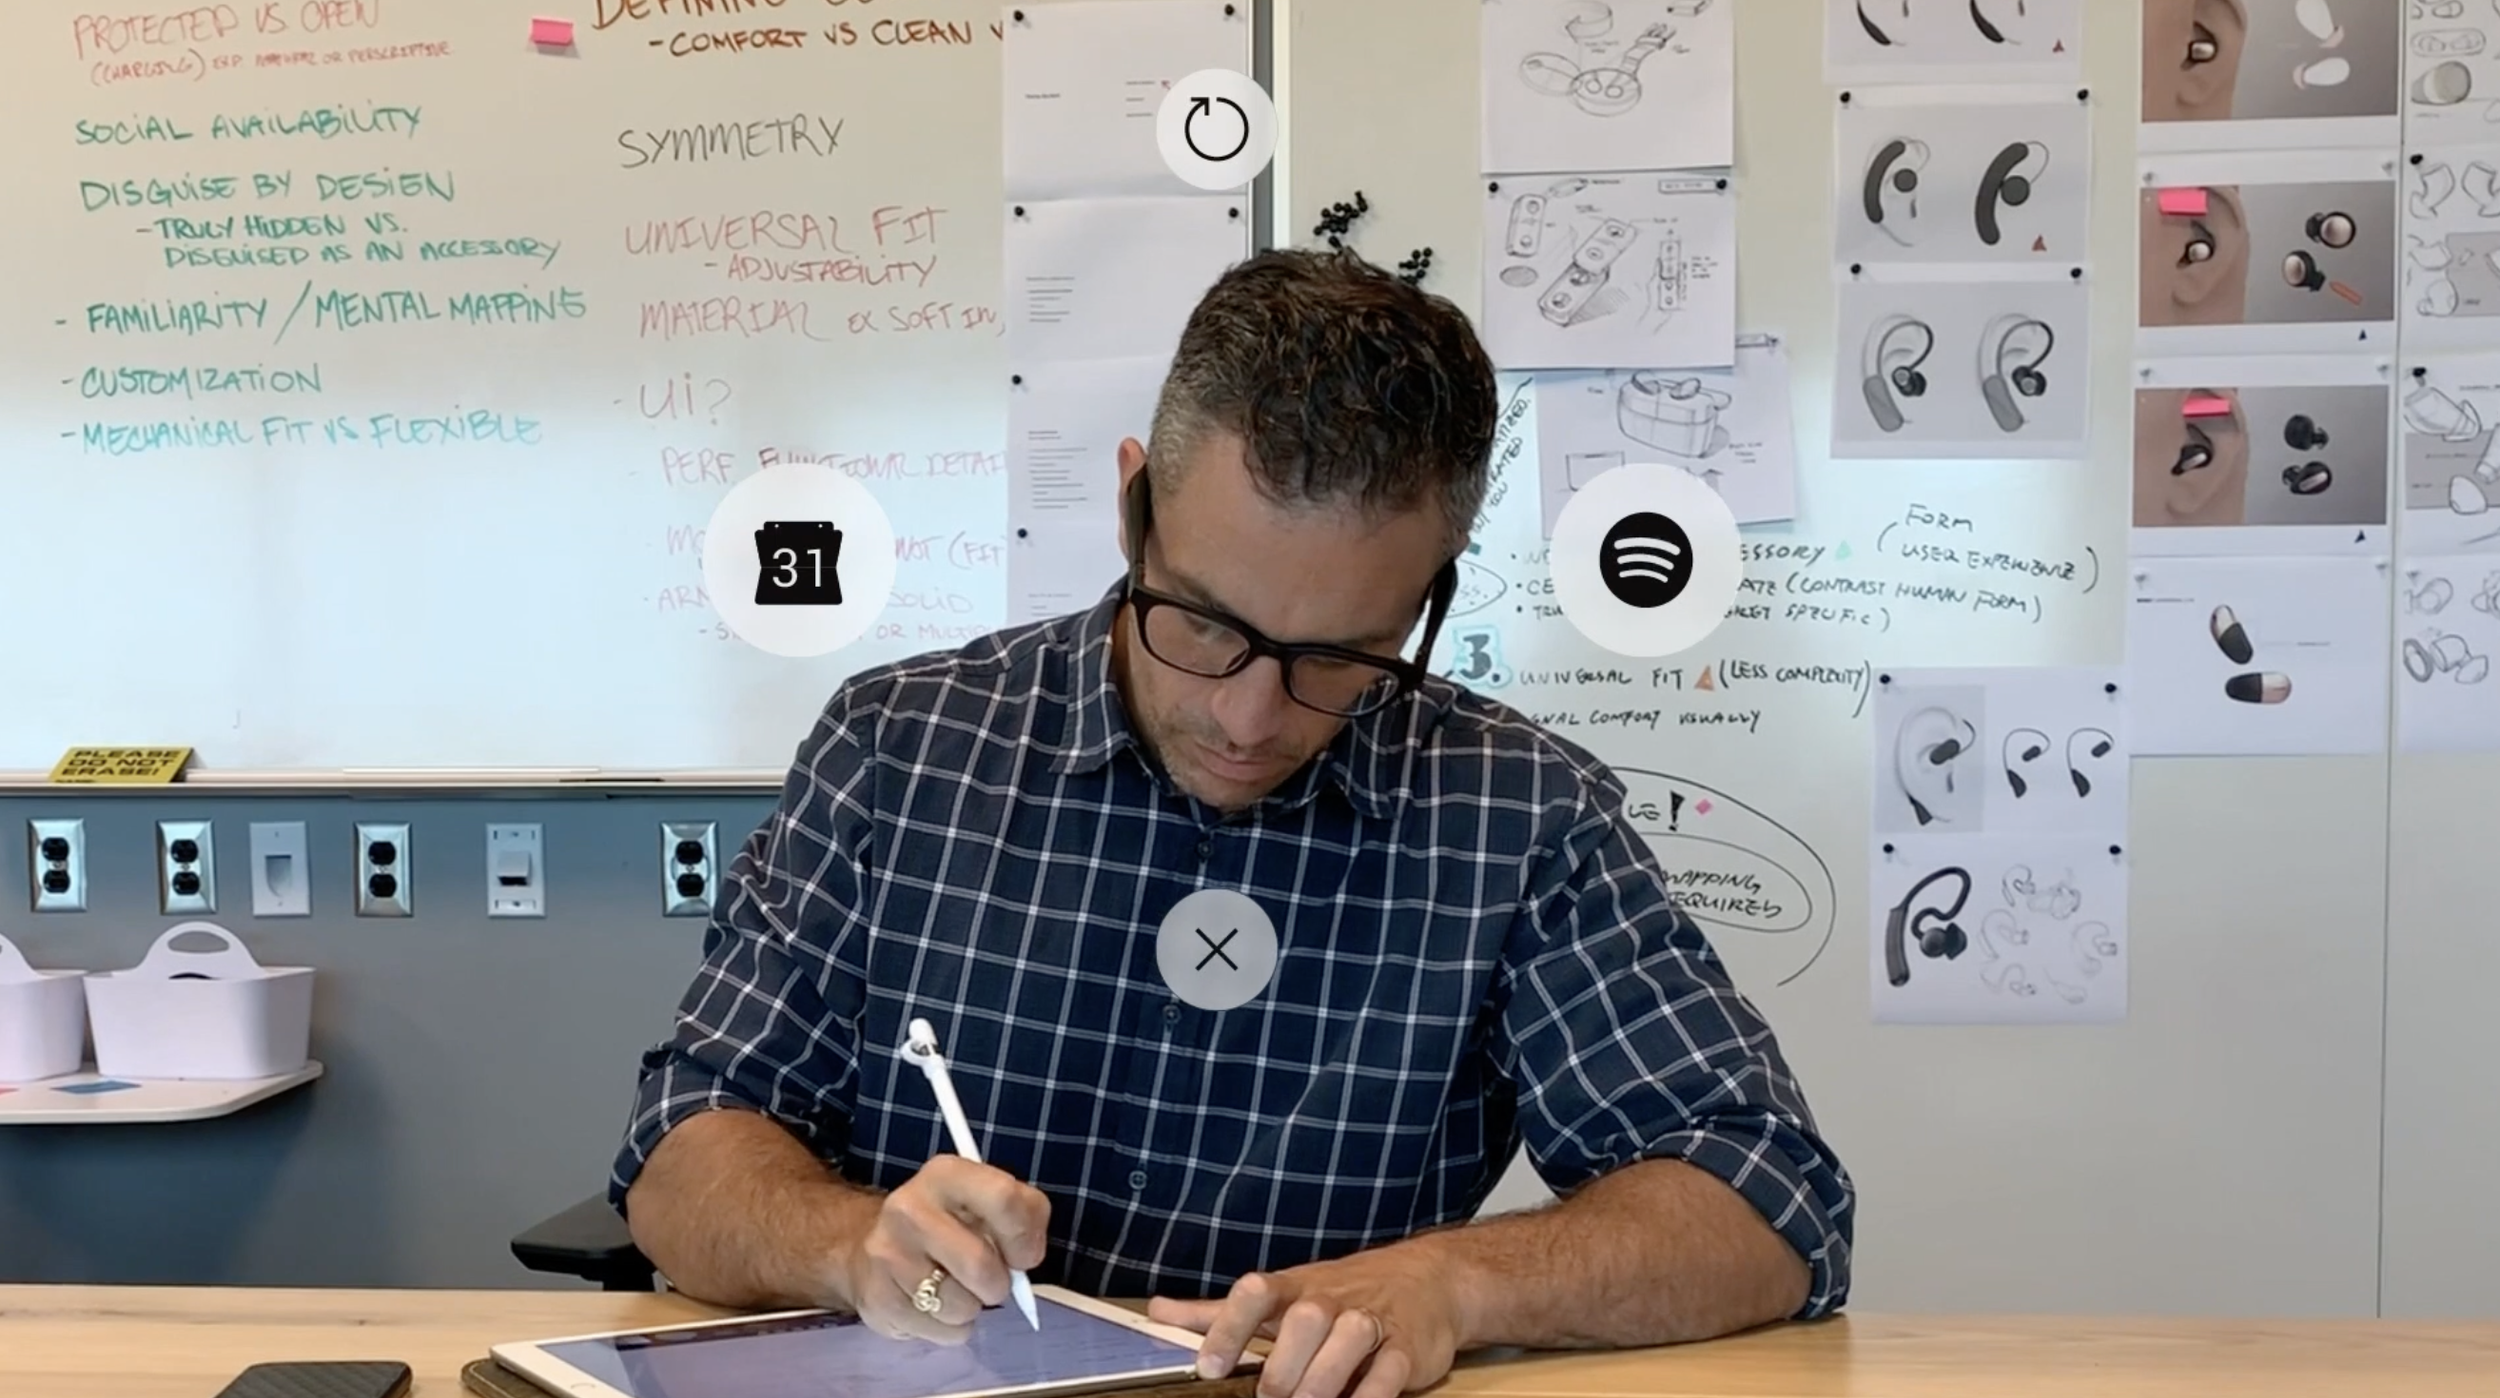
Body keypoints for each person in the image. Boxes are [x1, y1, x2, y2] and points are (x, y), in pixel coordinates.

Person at [608, 248, 1854, 1398]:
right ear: (1132, 509)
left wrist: (1458, 1281)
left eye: (1342, 654)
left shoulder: (1516, 813)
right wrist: (846, 1245)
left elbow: (1770, 1203)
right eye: (1202, 620)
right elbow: (682, 1154)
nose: (1249, 716)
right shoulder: (901, 746)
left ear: (1430, 598)